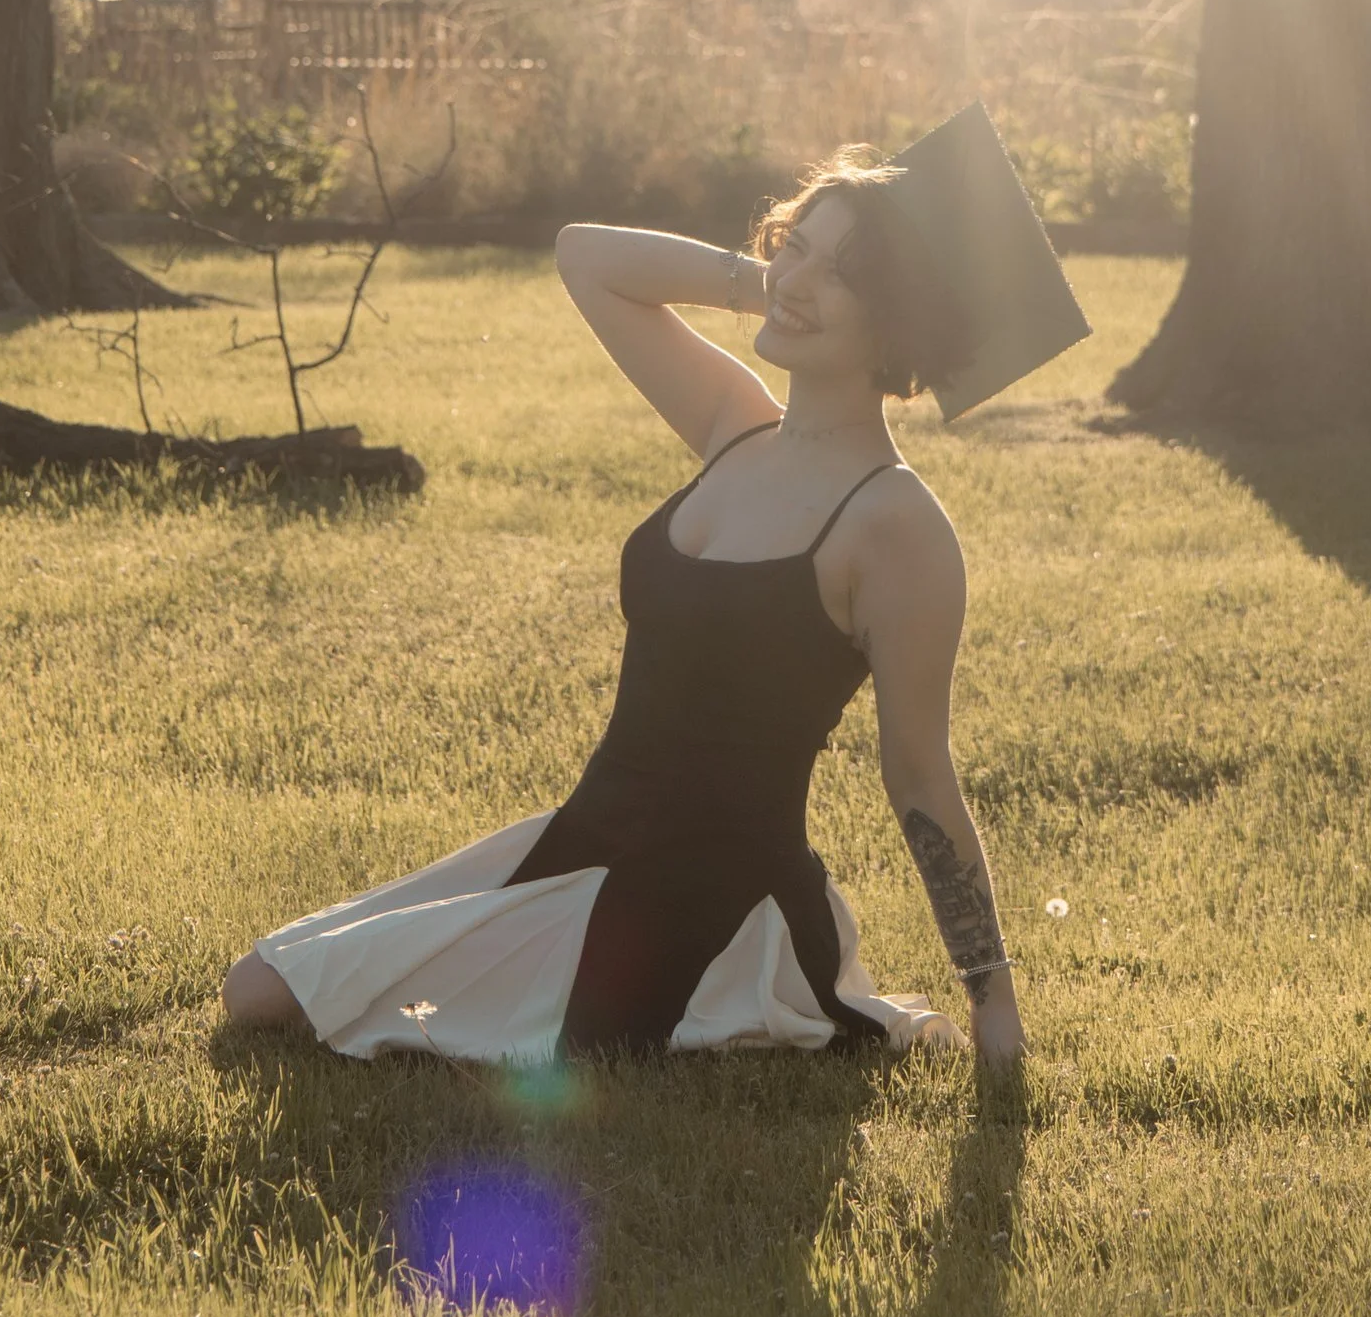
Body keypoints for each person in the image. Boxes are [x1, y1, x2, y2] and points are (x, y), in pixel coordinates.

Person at [220, 154, 1027, 1067]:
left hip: (709, 904)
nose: (795, 282)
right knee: (263, 980)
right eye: (794, 248)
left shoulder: (895, 523)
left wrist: (992, 998)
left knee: (270, 1000)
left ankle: (756, 995)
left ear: (897, 319)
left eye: (842, 275)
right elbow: (586, 256)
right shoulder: (737, 424)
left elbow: (921, 779)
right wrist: (776, 284)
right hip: (585, 838)